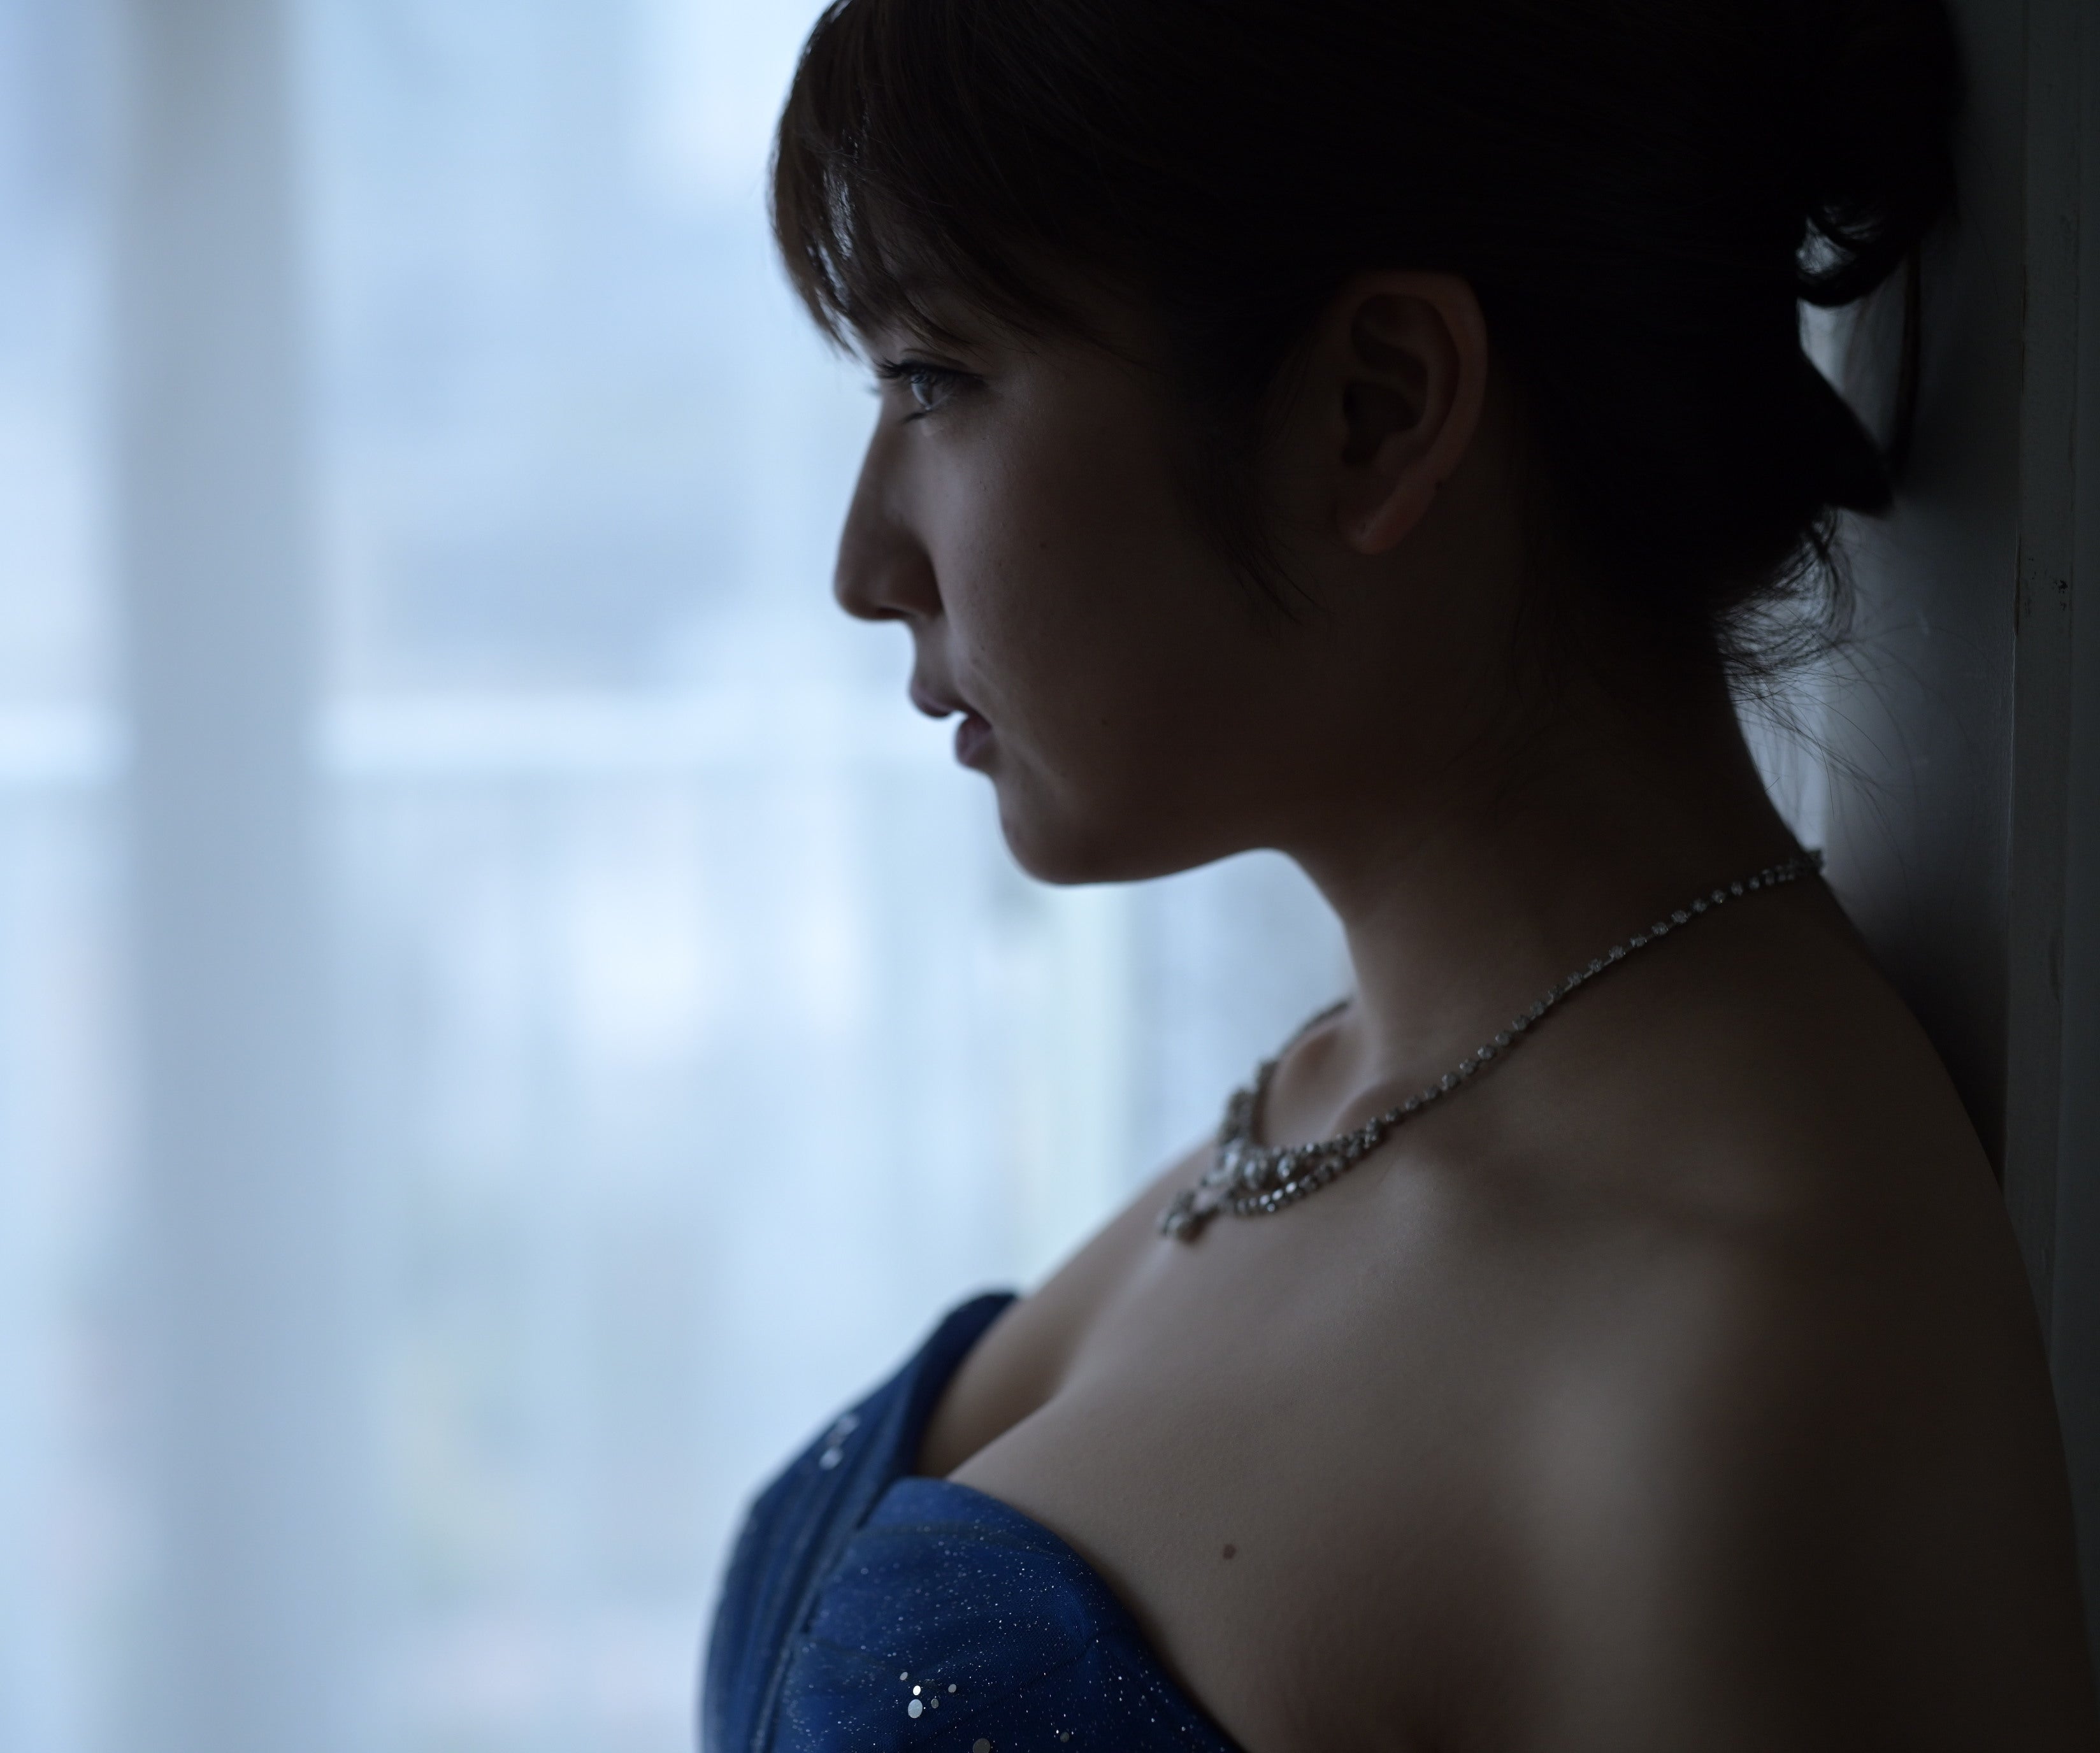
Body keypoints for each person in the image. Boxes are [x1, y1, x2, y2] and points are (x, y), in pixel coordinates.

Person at [701, 1, 2100, 1749]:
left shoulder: (1736, 1362)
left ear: (1379, 409)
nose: (863, 565)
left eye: (936, 379)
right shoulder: (1368, 1081)